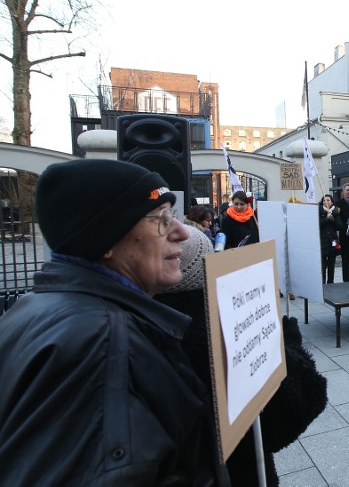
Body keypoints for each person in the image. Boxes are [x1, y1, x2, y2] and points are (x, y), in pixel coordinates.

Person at [0, 160, 220, 484]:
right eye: (160, 220)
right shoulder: (98, 349)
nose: (182, 232)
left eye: (172, 216)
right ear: (105, 240)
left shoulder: (35, 310)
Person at [155, 227, 328, 486]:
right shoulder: (215, 328)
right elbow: (298, 403)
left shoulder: (144, 319)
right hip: (236, 472)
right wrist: (289, 345)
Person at [319, 194, 344, 284]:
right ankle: (322, 283)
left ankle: (331, 282)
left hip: (333, 241)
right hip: (322, 241)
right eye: (324, 200)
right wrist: (326, 219)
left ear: (332, 202)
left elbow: (340, 226)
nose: (326, 202)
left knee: (331, 264)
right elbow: (317, 225)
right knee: (322, 265)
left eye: (328, 200)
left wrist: (332, 218)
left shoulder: (335, 212)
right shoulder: (319, 212)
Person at [335, 183, 349, 282]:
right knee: (345, 262)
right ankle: (346, 281)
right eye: (347, 190)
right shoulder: (339, 204)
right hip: (345, 236)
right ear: (343, 192)